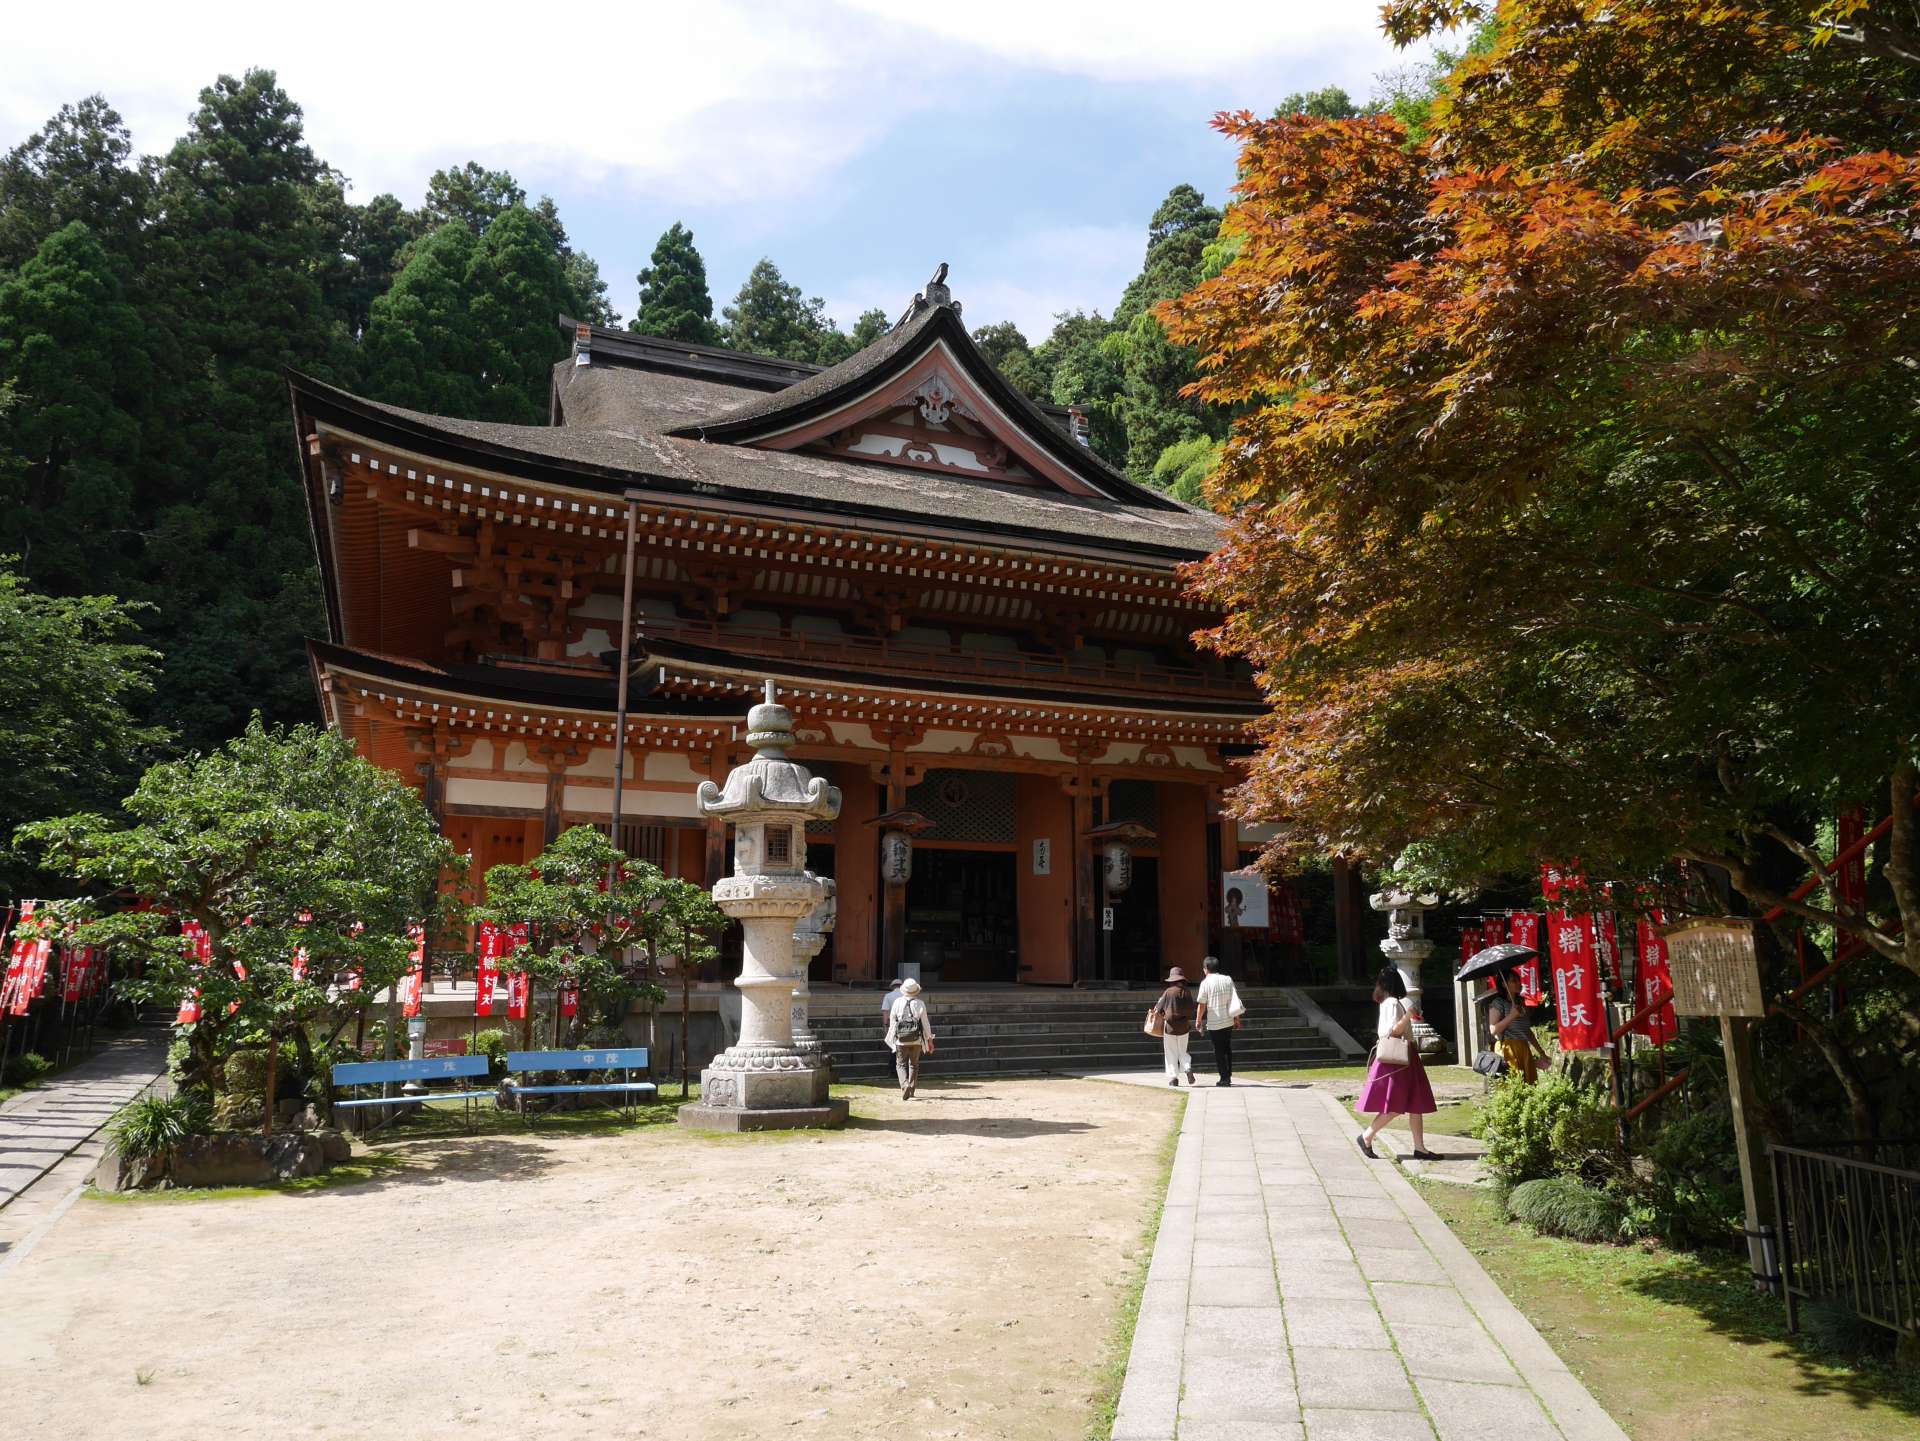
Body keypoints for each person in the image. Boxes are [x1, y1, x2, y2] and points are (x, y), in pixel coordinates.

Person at [1356, 965, 1438, 1160]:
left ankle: (1420, 1147)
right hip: (1398, 1057)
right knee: (1396, 1104)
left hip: (1401, 1056)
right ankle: (1367, 1136)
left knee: (1414, 1102)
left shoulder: (1389, 1002)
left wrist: (1409, 1016)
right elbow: (1393, 1031)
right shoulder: (1393, 1003)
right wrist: (1409, 1015)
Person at [1487, 969, 1547, 1083]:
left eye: (1519, 980)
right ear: (1504, 984)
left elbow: (1527, 1031)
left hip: (1523, 1048)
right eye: (1513, 981)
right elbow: (1493, 1030)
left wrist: (1541, 1053)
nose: (1518, 983)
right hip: (1507, 1049)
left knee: (1528, 1086)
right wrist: (1511, 1016)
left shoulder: (1520, 1004)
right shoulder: (1498, 1003)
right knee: (1513, 1085)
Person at [1193, 955, 1243, 1087]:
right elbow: (1235, 1000)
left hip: (1215, 1023)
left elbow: (1202, 1004)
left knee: (1219, 1051)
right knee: (1227, 1048)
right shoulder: (1228, 979)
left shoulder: (1205, 983)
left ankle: (1224, 1078)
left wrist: (1198, 1020)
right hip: (1228, 1020)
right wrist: (1237, 1019)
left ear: (1206, 969)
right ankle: (1228, 1075)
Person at [884, 976, 934, 1099]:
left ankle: (904, 1085)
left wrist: (891, 1036)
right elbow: (925, 1023)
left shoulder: (897, 1002)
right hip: (916, 1039)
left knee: (900, 1064)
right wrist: (930, 1040)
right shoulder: (920, 1003)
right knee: (914, 1064)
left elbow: (892, 1020)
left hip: (901, 1039)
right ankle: (911, 1089)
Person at [1151, 968, 1198, 1087]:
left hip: (1170, 1028)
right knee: (1183, 1051)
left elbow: (1158, 1008)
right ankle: (1187, 1068)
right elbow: (1192, 1009)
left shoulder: (1168, 992)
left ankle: (1173, 1078)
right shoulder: (1187, 992)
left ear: (1172, 979)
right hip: (1184, 1027)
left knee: (1171, 1052)